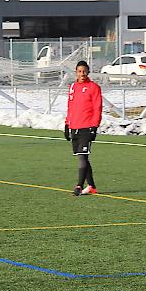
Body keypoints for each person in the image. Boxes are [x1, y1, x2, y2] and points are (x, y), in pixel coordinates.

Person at [64, 60, 102, 196]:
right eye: (80, 71)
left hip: (87, 127)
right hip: (75, 127)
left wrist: (94, 127)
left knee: (82, 157)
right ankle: (91, 186)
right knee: (83, 157)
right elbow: (70, 107)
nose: (82, 74)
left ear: (88, 72)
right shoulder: (73, 87)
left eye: (84, 71)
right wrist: (67, 124)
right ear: (76, 72)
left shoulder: (94, 87)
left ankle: (79, 186)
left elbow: (97, 108)